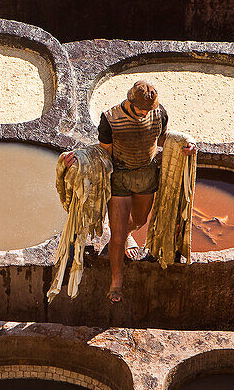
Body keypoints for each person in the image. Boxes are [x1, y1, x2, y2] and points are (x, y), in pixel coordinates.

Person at [60, 80, 195, 303]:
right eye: (142, 109)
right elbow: (102, 153)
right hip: (120, 177)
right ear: (130, 102)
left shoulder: (158, 113)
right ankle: (116, 280)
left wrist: (185, 143)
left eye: (149, 110)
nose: (145, 113)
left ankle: (129, 234)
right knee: (118, 234)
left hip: (146, 175)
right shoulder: (110, 119)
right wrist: (77, 160)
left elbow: (161, 138)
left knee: (140, 220)